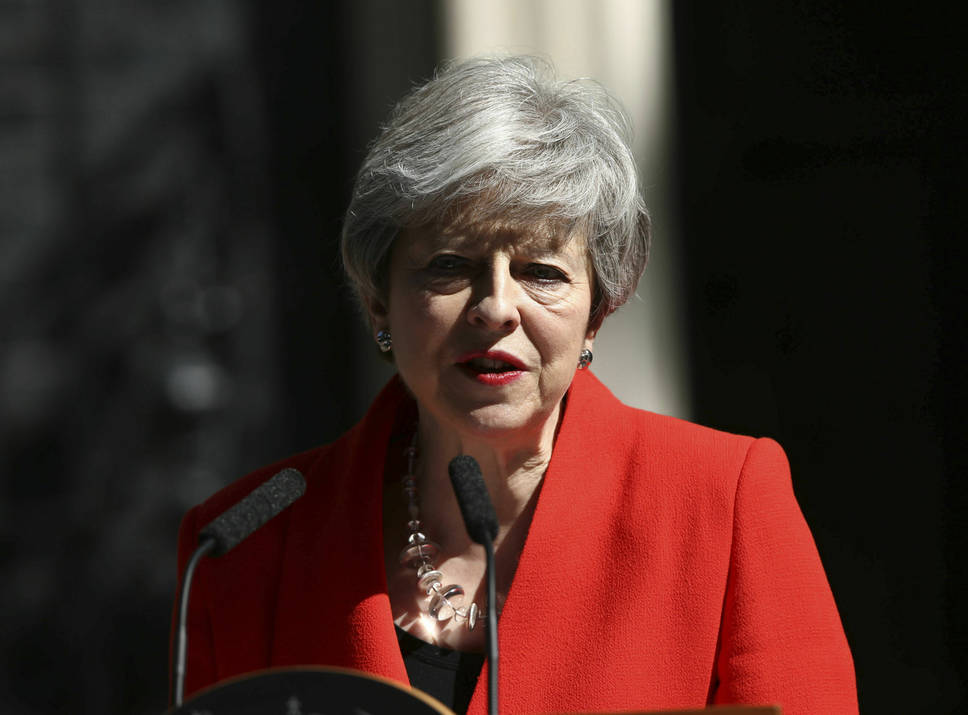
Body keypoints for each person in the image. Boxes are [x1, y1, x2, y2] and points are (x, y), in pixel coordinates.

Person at [173, 55, 857, 714]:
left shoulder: (722, 505)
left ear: (599, 309)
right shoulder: (245, 549)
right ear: (378, 299)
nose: (496, 306)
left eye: (541, 271)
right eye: (448, 264)